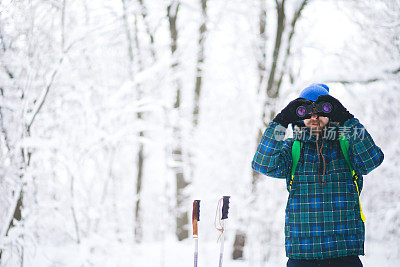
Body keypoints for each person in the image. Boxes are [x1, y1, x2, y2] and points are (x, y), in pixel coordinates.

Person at [252, 84, 384, 267]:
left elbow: (372, 160)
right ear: (297, 116)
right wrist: (281, 121)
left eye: (321, 109)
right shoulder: (293, 148)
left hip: (344, 253)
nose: (314, 116)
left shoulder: (346, 143)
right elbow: (262, 163)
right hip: (302, 255)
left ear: (331, 112)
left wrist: (347, 119)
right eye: (306, 111)